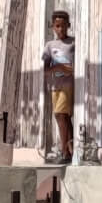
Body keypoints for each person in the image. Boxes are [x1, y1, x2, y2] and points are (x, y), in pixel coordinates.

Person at [41, 9, 76, 164]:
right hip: (55, 86)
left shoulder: (73, 43)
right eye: (57, 26)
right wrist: (58, 67)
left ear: (68, 25)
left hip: (68, 85)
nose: (60, 29)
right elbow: (45, 69)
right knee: (63, 117)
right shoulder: (50, 45)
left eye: (63, 26)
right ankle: (71, 150)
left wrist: (70, 69)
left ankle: (64, 152)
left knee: (61, 115)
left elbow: (77, 63)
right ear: (53, 27)